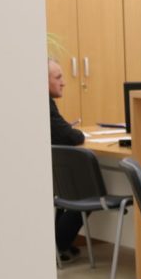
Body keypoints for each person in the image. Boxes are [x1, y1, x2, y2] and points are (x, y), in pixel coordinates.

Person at [49, 58, 86, 261]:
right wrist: (73, 132)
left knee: (69, 193)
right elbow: (72, 137)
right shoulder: (45, 105)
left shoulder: (47, 103)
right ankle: (58, 243)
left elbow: (62, 132)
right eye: (58, 77)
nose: (63, 82)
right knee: (84, 193)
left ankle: (59, 244)